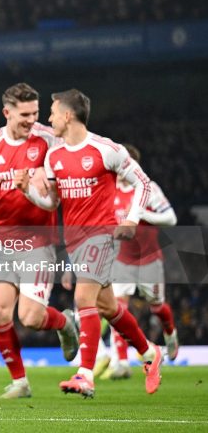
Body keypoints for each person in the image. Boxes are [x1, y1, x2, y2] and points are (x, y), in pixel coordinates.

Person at [15, 89, 163, 398]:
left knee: (84, 300)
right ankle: (149, 353)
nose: (49, 118)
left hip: (102, 237)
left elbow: (143, 184)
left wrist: (132, 219)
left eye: (53, 112)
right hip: (75, 242)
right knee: (108, 307)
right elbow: (53, 203)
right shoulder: (54, 156)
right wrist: (29, 192)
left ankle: (85, 374)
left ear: (68, 116)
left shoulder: (106, 149)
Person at [0, 83, 79, 399]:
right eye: (25, 114)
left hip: (38, 242)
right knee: (0, 313)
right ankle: (20, 382)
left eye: (36, 113)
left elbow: (57, 188)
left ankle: (64, 323)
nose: (32, 120)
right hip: (2, 242)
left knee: (29, 318)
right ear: (7, 112)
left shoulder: (48, 139)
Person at [103, 143, 178, 379]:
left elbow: (171, 218)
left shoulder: (148, 188)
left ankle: (170, 332)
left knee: (157, 306)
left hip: (148, 259)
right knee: (118, 308)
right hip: (122, 259)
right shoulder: (110, 190)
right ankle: (122, 363)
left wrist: (145, 215)